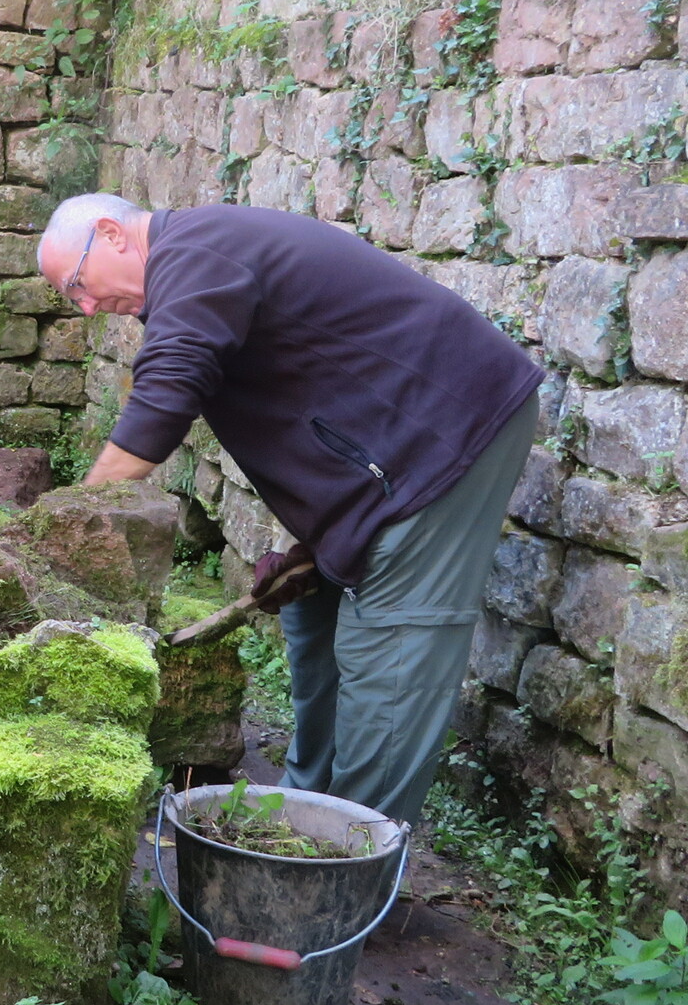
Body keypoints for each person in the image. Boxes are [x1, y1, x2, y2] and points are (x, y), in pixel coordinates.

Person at [35, 193, 543, 825]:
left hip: (443, 438)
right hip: (379, 456)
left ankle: (350, 850)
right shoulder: (195, 260)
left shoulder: (197, 251)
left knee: (392, 652)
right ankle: (301, 806)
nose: (85, 306)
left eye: (77, 285)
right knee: (307, 611)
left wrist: (71, 521)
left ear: (112, 234)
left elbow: (167, 390)